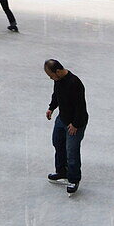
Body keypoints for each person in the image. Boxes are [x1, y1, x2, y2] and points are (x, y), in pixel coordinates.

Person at [44, 59, 89, 195]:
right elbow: (56, 95)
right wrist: (51, 108)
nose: (51, 78)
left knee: (72, 152)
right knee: (58, 143)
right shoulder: (58, 81)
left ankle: (74, 179)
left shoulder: (75, 83)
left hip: (75, 123)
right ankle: (61, 172)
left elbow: (80, 107)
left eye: (51, 75)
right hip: (62, 119)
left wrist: (75, 124)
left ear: (57, 71)